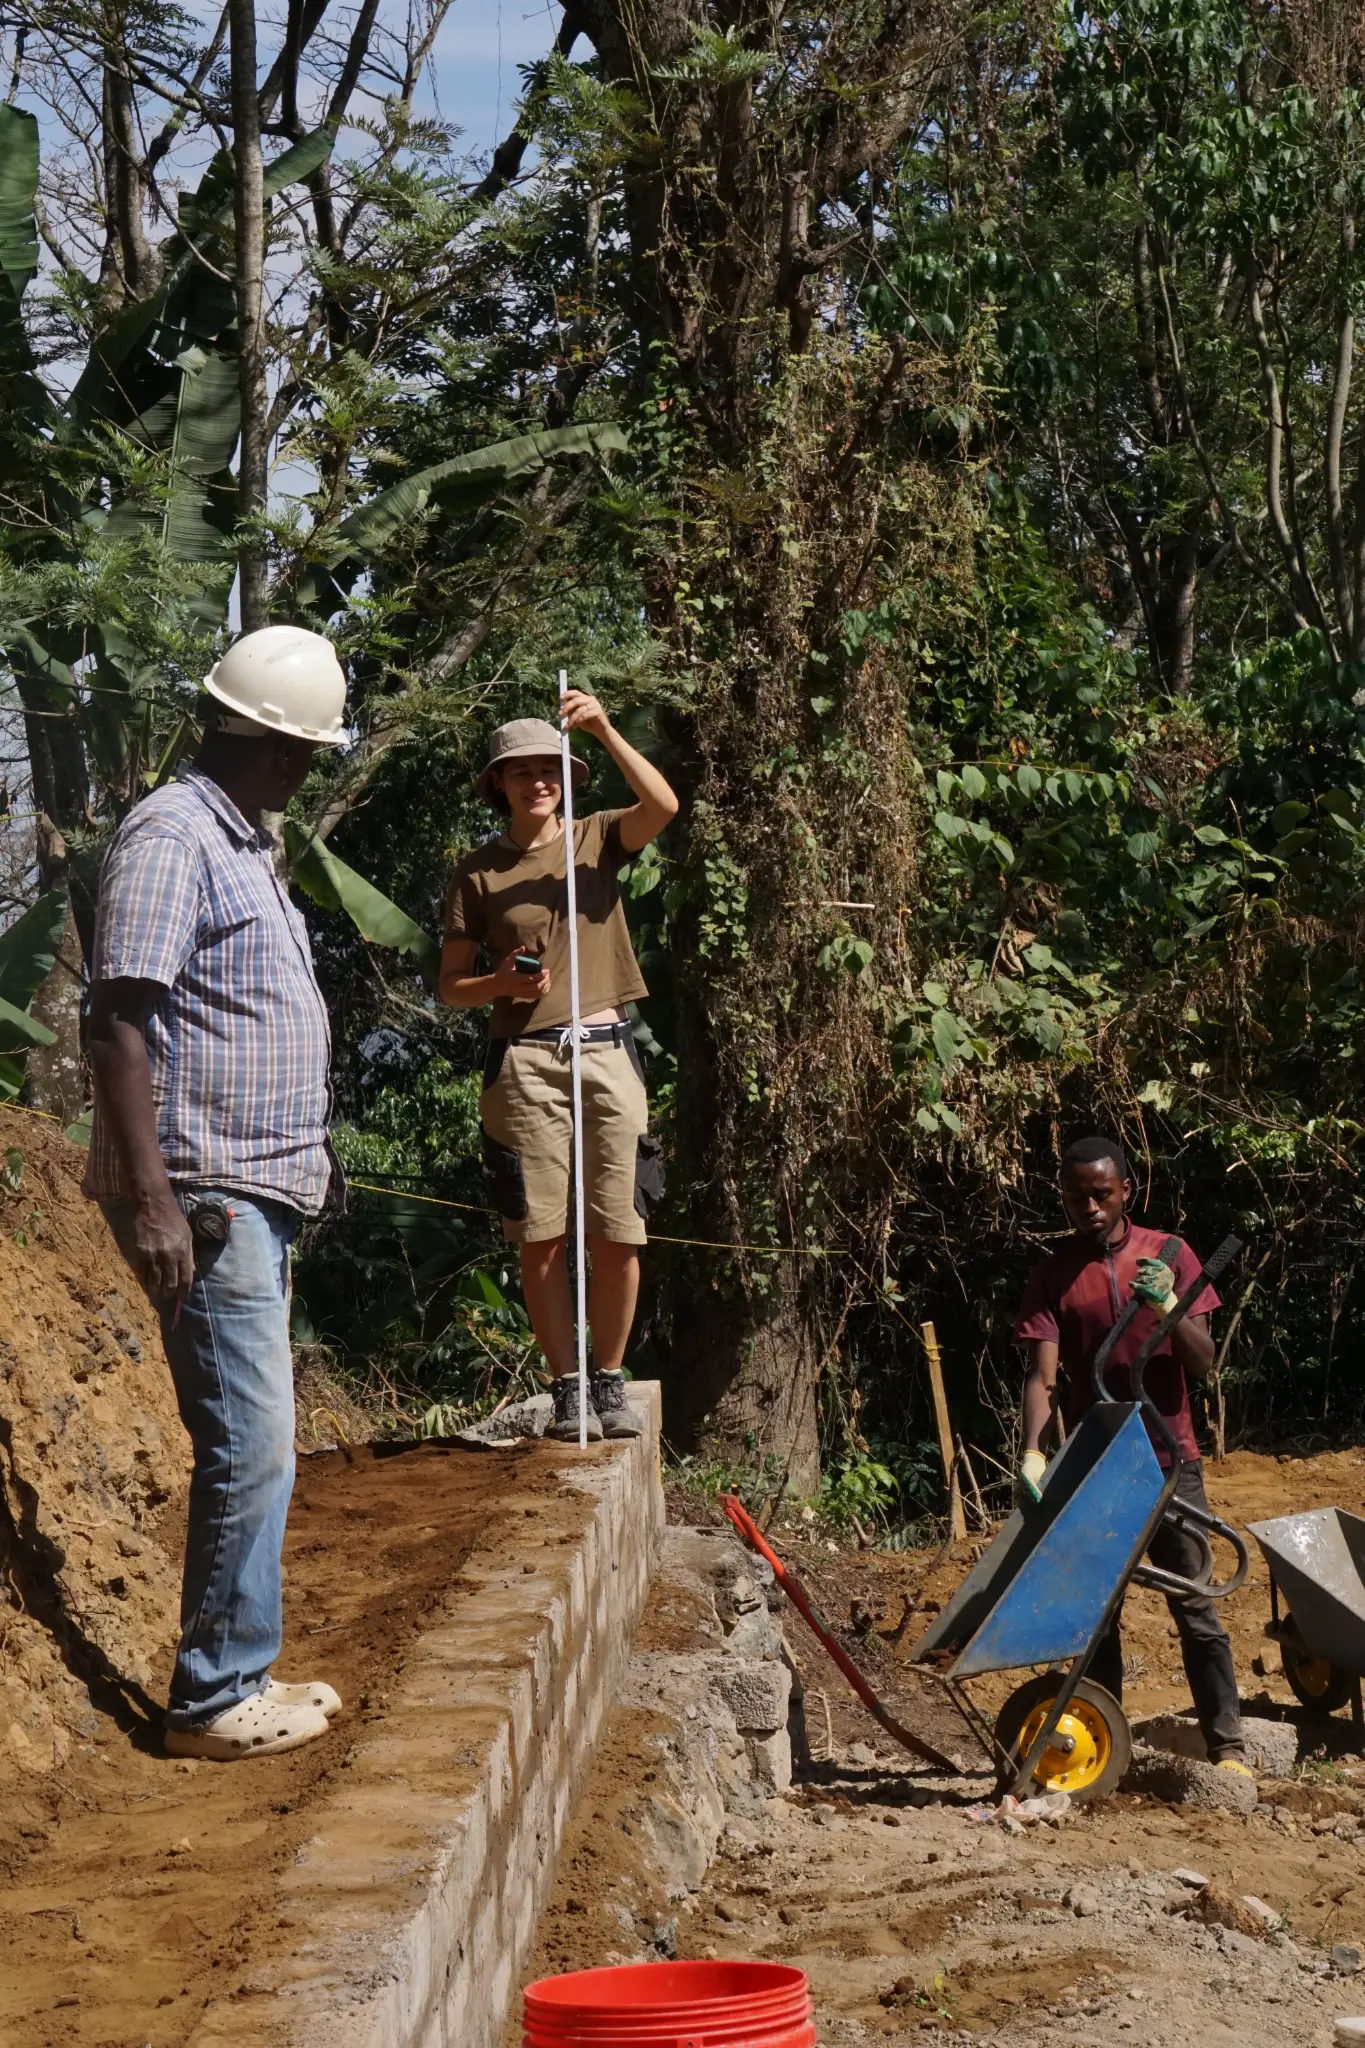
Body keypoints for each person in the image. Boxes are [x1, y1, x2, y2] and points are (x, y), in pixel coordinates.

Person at [85, 625, 348, 1762]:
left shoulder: (241, 841)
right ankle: (215, 1694)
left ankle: (242, 1661)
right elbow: (117, 1016)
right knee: (251, 1442)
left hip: (249, 1187)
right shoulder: (175, 834)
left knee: (259, 1438)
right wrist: (150, 1195)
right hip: (207, 1188)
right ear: (280, 748)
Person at [440, 695, 678, 1443]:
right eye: (523, 773)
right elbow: (450, 988)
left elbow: (663, 804)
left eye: (550, 770)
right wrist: (500, 986)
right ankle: (565, 1385)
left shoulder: (597, 838)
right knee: (540, 1234)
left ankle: (607, 1378)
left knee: (620, 1229)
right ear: (500, 784)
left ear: (566, 779)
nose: (538, 782)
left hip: (608, 1052)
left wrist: (604, 727)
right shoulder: (475, 873)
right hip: (525, 1064)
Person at [1013, 1134, 1251, 1776]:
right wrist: (1034, 1452)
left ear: (1126, 1191)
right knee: (1099, 1616)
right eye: (1076, 1196)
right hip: (1099, 1469)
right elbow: (1044, 1376)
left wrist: (1169, 1306)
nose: (1089, 1207)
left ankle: (1227, 1747)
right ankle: (1104, 1746)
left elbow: (1203, 1365)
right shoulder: (1054, 1273)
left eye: (1101, 1194)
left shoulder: (1168, 1254)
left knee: (1195, 1603)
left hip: (1171, 1458)